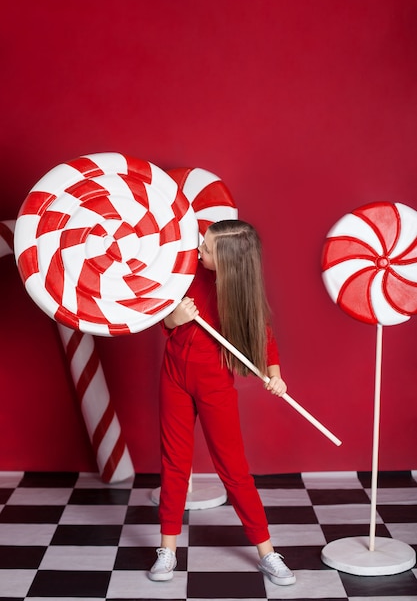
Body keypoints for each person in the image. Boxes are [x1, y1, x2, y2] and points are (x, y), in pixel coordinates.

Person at [148, 219, 296, 586]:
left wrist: (275, 375)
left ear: (228, 261)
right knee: (174, 463)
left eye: (208, 248)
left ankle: (267, 553)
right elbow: (161, 317)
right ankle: (168, 549)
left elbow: (264, 337)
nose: (199, 251)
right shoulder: (187, 271)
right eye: (203, 242)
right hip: (174, 377)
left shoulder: (239, 292)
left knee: (234, 470)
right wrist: (172, 318)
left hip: (214, 385)